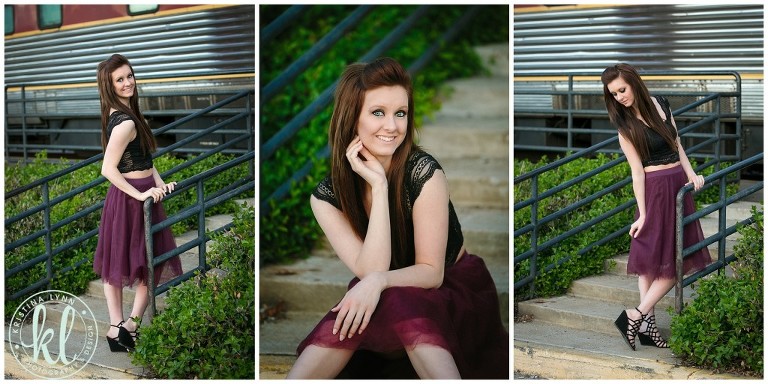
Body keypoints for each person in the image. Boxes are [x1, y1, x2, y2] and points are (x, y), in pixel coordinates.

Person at [286, 57, 508, 379]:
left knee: (396, 297)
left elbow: (431, 273)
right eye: (378, 112)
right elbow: (371, 270)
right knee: (361, 308)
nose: (392, 126)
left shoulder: (424, 173)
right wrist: (378, 187)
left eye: (400, 113)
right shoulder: (326, 198)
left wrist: (378, 281)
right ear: (352, 119)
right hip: (384, 290)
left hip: (452, 289)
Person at [601, 63, 711, 351]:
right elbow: (637, 173)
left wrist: (691, 174)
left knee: (676, 255)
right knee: (656, 261)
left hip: (677, 184)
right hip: (654, 191)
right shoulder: (625, 128)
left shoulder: (661, 104)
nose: (620, 97)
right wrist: (643, 213)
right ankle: (638, 316)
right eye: (614, 94)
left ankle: (643, 324)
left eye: (622, 90)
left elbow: (677, 144)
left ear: (634, 83)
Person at [93, 54, 183, 352]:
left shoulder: (127, 115)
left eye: (129, 76)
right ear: (110, 86)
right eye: (119, 80)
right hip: (131, 197)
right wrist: (141, 194)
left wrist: (160, 184)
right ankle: (124, 326)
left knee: (138, 260)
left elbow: (145, 160)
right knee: (138, 261)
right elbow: (107, 169)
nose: (127, 82)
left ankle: (122, 328)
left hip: (141, 193)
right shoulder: (125, 122)